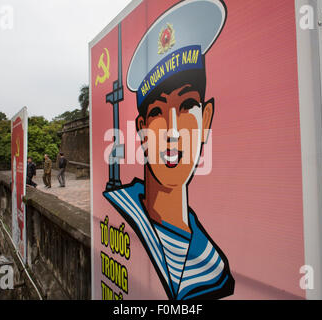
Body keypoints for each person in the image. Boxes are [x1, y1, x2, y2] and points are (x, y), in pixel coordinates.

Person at [103, 0, 234, 300]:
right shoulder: (120, 212)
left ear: (206, 119)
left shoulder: (214, 267)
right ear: (141, 128)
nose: (173, 131)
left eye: (187, 106)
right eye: (158, 113)